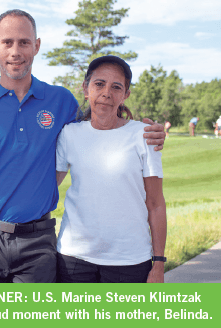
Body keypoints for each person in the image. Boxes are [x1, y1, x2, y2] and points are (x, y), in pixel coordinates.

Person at [0, 9, 166, 284]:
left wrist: (148, 133)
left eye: (24, 42)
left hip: (37, 241)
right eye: (7, 42)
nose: (16, 51)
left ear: (36, 46)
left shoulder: (60, 101)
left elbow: (99, 124)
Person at [56, 56, 166, 283]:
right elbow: (45, 185)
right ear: (86, 89)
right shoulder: (69, 134)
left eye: (116, 87)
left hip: (130, 260)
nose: (107, 92)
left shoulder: (144, 135)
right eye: (99, 84)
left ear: (125, 94)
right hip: (73, 257)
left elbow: (156, 204)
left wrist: (159, 264)